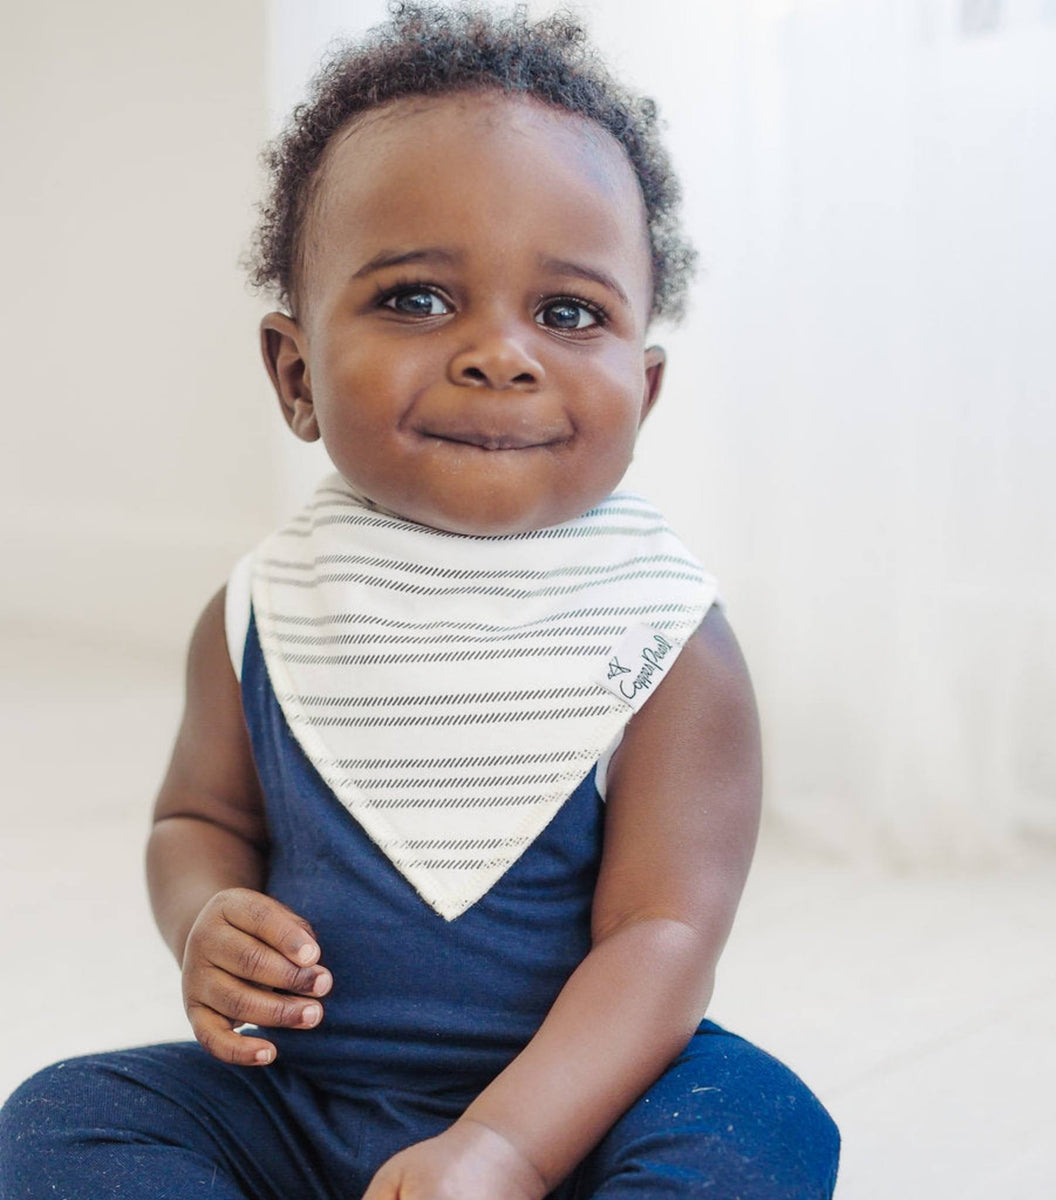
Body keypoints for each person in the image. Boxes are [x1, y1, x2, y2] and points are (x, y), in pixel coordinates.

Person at [0, 5, 840, 1197]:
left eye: (567, 313)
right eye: (417, 299)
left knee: (758, 1122)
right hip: (302, 1099)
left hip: (578, 1108)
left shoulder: (663, 634)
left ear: (643, 396)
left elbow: (666, 937)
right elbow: (193, 824)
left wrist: (502, 1147)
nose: (501, 354)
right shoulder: (264, 614)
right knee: (64, 1115)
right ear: (296, 373)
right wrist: (204, 918)